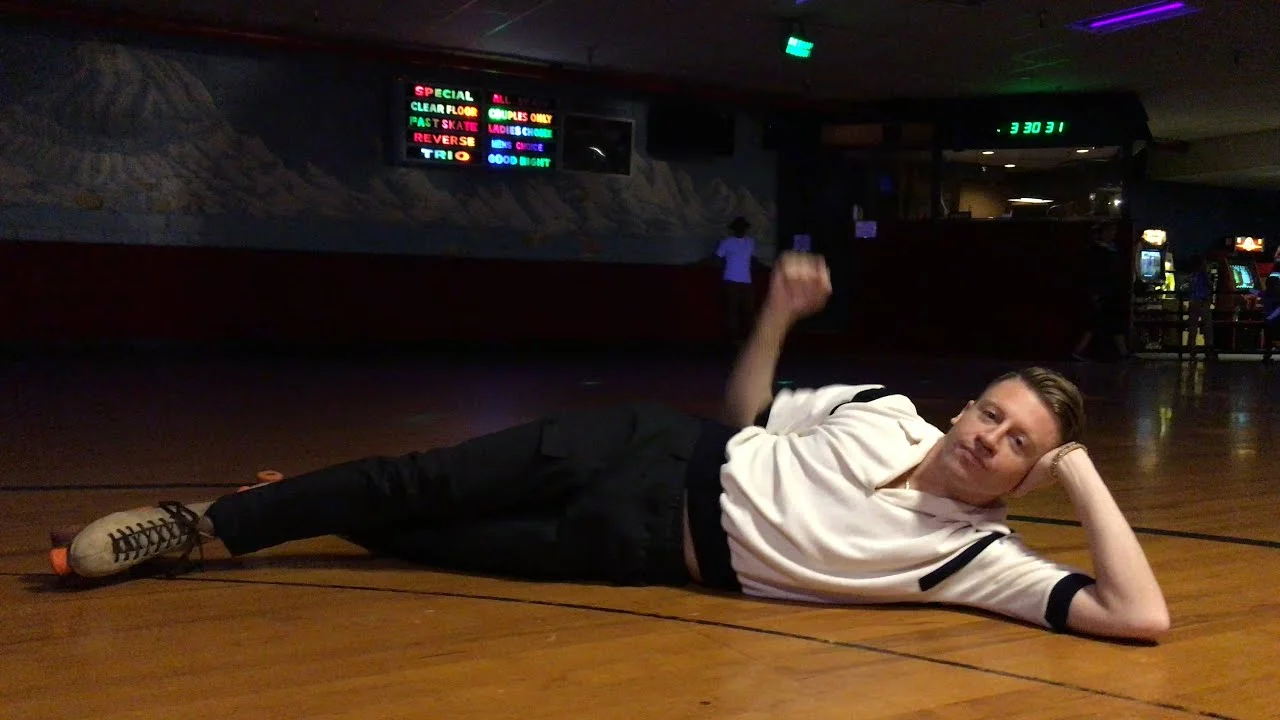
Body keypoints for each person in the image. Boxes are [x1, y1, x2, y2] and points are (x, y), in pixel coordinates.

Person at [52, 252, 1169, 642]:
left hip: (637, 550)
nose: (985, 437)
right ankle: (198, 527)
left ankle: (299, 498)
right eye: (988, 413)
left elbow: (1137, 618)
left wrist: (1080, 471)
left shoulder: (977, 559)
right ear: (962, 407)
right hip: (642, 447)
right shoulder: (883, 408)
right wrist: (777, 318)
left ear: (1031, 471)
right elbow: (745, 413)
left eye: (1017, 442)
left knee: (429, 539)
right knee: (423, 479)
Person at [1072, 223, 1131, 361]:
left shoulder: (1110, 250)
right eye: (1109, 231)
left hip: (1111, 293)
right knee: (1097, 323)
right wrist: (1096, 293)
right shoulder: (1097, 252)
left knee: (1107, 323)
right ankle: (1079, 351)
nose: (1112, 234)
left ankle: (1080, 351)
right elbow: (1093, 274)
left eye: (1113, 231)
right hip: (1104, 293)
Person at [715, 216, 757, 344]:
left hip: (746, 281)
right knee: (732, 311)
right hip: (731, 280)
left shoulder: (750, 242)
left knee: (748, 310)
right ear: (734, 229)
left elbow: (751, 259)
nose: (741, 229)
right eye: (738, 227)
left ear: (745, 228)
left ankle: (749, 339)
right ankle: (732, 339)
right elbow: (717, 257)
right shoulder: (727, 242)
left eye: (742, 227)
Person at [1185, 255, 1217, 360]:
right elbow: (1209, 284)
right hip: (1203, 301)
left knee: (1193, 326)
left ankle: (1191, 348)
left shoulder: (1192, 275)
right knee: (1207, 325)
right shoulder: (1203, 274)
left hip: (1193, 301)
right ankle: (1208, 348)